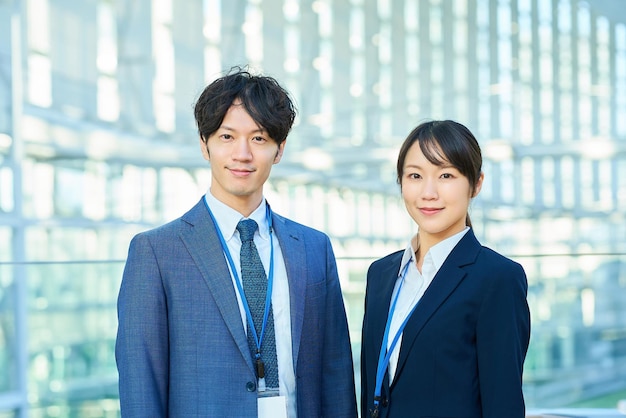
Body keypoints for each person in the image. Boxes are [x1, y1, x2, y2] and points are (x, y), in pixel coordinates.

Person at [115, 67, 357, 418]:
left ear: (279, 149)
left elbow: (335, 373)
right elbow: (141, 385)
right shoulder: (156, 252)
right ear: (205, 145)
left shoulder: (313, 248)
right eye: (227, 137)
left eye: (258, 138)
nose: (242, 154)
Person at [360, 120, 531, 418]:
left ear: (476, 184)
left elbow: (503, 403)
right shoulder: (382, 274)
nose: (428, 193)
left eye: (446, 175)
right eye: (415, 175)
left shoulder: (497, 278)